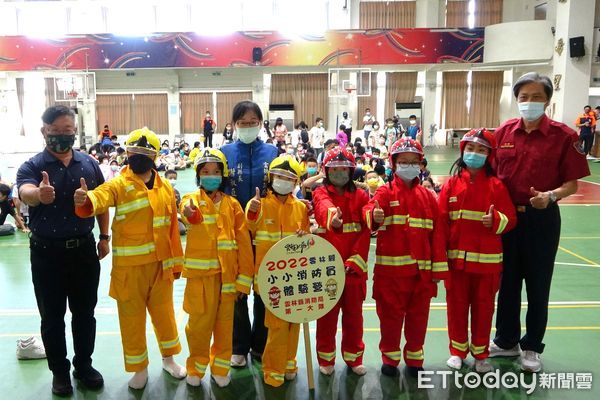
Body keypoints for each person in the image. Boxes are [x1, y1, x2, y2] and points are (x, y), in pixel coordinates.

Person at [490, 72, 590, 372]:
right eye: (523, 97)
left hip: (542, 219)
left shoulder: (564, 136)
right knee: (506, 283)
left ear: (547, 99)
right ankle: (506, 341)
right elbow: (491, 176)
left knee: (537, 285)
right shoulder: (504, 132)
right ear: (516, 99)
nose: (529, 103)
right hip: (507, 221)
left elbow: (572, 184)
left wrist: (550, 196)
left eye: (535, 97)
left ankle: (532, 345)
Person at [74, 127, 186, 389]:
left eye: (145, 153)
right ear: (126, 154)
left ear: (156, 156)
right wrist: (86, 198)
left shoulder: (165, 187)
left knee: (165, 317)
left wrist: (175, 264)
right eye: (134, 152)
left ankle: (169, 360)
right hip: (129, 271)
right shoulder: (118, 185)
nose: (138, 158)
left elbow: (172, 228)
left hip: (160, 267)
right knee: (132, 321)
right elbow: (99, 198)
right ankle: (139, 369)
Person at [17, 105, 109, 396]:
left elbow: (101, 202)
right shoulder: (32, 166)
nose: (61, 136)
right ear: (44, 131)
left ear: (75, 131)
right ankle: (60, 372)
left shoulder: (90, 164)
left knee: (85, 314)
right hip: (47, 255)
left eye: (67, 131)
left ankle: (84, 366)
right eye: (55, 131)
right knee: (52, 317)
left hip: (83, 252)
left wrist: (104, 236)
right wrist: (38, 195)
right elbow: (24, 192)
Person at [363, 138, 448, 378]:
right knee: (389, 320)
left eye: (413, 162)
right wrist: (375, 216)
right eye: (403, 162)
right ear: (394, 163)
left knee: (418, 320)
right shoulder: (385, 192)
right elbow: (369, 210)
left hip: (421, 277)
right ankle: (389, 358)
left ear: (421, 165)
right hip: (391, 276)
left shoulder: (429, 197)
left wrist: (437, 273)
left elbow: (438, 236)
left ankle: (414, 358)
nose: (408, 166)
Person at [437, 128, 516, 373]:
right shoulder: (450, 185)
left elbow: (511, 219)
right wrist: (440, 262)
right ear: (463, 151)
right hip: (457, 264)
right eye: (470, 149)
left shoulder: (496, 186)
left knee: (484, 310)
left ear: (489, 155)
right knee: (456, 308)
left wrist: (496, 221)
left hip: (487, 266)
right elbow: (440, 224)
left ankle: (481, 353)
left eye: (481, 150)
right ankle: (457, 352)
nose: (474, 153)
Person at [180, 149, 254, 388]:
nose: (211, 175)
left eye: (215, 172)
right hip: (200, 281)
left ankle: (220, 367)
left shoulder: (233, 206)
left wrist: (244, 280)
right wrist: (189, 214)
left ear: (223, 175)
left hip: (228, 279)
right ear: (198, 175)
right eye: (205, 171)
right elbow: (187, 212)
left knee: (225, 328)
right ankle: (196, 368)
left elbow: (243, 244)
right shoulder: (190, 200)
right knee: (198, 327)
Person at [220, 100, 278, 367]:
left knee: (265, 291)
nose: (247, 127)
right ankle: (239, 346)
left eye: (252, 123)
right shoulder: (225, 153)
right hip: (234, 235)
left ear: (261, 124)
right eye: (242, 123)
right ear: (233, 125)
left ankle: (261, 344)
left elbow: (285, 189)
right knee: (237, 291)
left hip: (267, 235)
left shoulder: (273, 152)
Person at [245, 155, 309, 387]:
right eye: (279, 176)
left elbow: (308, 242)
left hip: (294, 279)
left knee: (293, 324)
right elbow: (249, 226)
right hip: (270, 280)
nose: (283, 181)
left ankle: (289, 363)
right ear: (270, 178)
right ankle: (272, 370)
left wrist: (305, 236)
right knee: (276, 327)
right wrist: (251, 211)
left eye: (289, 178)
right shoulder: (259, 204)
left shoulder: (301, 208)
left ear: (295, 183)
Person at [312, 147, 370, 376]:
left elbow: (366, 229)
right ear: (326, 171)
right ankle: (326, 358)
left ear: (350, 170)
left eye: (342, 168)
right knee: (327, 317)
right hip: (328, 269)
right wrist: (331, 218)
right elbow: (322, 207)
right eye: (333, 169)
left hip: (354, 271)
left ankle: (354, 358)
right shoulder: (320, 193)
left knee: (354, 317)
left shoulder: (361, 195)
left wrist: (356, 261)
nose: (338, 172)